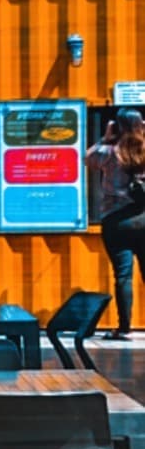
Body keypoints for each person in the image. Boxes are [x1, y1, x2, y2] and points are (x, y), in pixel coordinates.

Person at [97, 113, 145, 336]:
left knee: (123, 276)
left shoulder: (108, 152)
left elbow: (87, 158)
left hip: (116, 221)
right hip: (143, 218)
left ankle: (124, 328)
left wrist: (106, 138)